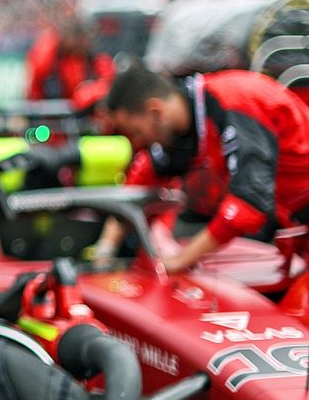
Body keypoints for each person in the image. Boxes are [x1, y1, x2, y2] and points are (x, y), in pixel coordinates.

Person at [94, 62, 309, 273]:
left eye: (136, 133)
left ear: (155, 111)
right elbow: (138, 184)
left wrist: (179, 261)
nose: (136, 143)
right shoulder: (182, 123)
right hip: (287, 219)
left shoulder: (234, 101)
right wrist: (105, 249)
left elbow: (250, 202)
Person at [26, 19, 115, 101]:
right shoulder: (50, 56)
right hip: (49, 115)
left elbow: (109, 84)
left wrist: (89, 93)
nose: (82, 45)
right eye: (78, 40)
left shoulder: (96, 60)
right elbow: (35, 92)